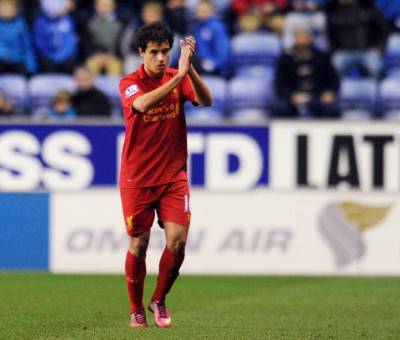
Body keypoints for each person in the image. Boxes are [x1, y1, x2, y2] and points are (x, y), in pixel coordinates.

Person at [118, 22, 212, 329]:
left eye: (165, 52)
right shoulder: (130, 82)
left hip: (173, 176)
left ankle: (158, 299)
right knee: (139, 245)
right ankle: (135, 309)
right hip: (138, 178)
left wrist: (190, 69)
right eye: (155, 52)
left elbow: (206, 100)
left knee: (177, 241)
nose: (161, 58)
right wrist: (179, 77)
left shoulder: (177, 75)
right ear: (141, 53)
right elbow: (142, 105)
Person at [274, 27, 339, 118]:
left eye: (304, 38)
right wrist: (290, 95)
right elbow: (280, 83)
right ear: (294, 39)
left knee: (332, 108)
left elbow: (334, 80)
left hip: (317, 95)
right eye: (299, 38)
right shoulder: (285, 59)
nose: (301, 42)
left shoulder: (322, 57)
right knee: (282, 107)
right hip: (294, 95)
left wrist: (330, 92)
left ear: (310, 39)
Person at [325, 0, 388, 78]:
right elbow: (330, 35)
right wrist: (334, 50)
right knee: (334, 66)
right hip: (344, 52)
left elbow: (383, 31)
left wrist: (379, 49)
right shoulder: (332, 9)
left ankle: (379, 89)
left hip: (367, 50)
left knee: (376, 68)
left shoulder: (367, 6)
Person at [33, 0, 78, 74]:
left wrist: (60, 57)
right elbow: (39, 42)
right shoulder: (40, 21)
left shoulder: (68, 20)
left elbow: (70, 42)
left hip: (65, 59)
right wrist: (50, 56)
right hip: (47, 59)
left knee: (69, 64)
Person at [190, 0, 230, 76]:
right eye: (198, 10)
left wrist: (213, 63)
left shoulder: (217, 27)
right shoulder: (196, 26)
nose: (200, 13)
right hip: (201, 63)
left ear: (211, 11)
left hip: (215, 67)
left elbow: (223, 52)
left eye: (203, 11)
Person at [0, 0, 36, 75]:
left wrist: (31, 66)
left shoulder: (21, 24)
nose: (7, 10)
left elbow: (27, 46)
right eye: (3, 7)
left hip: (17, 60)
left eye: (10, 7)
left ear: (16, 9)